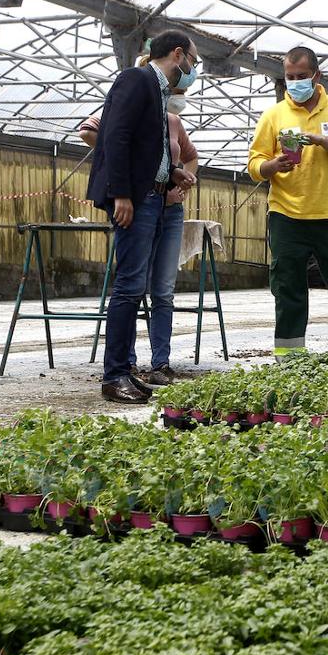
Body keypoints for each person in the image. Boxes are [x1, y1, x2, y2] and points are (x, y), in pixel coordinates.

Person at [86, 30, 199, 403]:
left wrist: (171, 175)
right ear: (178, 55)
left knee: (135, 288)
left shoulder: (158, 92)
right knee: (130, 286)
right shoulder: (136, 79)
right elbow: (115, 136)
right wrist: (121, 193)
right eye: (192, 63)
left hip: (152, 196)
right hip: (135, 198)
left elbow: (144, 147)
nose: (191, 71)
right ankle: (114, 374)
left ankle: (124, 373)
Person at [247, 46, 328, 359]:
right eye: (290, 77)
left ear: (316, 75)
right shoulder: (274, 115)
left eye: (301, 76)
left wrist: (322, 141)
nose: (295, 82)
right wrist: (271, 167)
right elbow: (253, 163)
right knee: (287, 289)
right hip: (286, 215)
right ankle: (289, 358)